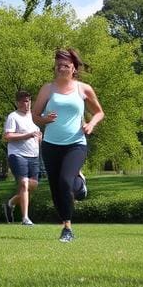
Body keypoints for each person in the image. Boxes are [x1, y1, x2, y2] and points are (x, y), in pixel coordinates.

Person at [32, 48, 104, 243]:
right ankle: (74, 193)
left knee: (65, 181)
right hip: (50, 145)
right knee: (56, 187)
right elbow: (35, 116)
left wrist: (90, 124)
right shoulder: (47, 89)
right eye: (58, 65)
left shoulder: (83, 88)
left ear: (74, 68)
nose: (62, 68)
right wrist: (44, 119)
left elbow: (99, 112)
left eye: (66, 65)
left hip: (76, 143)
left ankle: (67, 228)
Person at [2, 90, 41, 226]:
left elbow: (36, 134)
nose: (27, 103)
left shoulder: (34, 117)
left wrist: (39, 138)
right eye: (24, 101)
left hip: (34, 156)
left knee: (33, 186)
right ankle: (25, 218)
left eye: (29, 100)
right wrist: (27, 135)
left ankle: (10, 203)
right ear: (18, 102)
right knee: (24, 184)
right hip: (17, 154)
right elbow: (7, 136)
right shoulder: (13, 117)